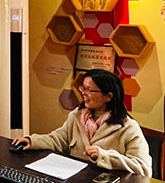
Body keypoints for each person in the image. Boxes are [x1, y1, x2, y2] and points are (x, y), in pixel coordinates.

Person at [12, 69, 152, 177]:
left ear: (108, 96)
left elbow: (143, 168)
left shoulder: (128, 127)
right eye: (83, 88)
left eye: (89, 90)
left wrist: (104, 156)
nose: (83, 93)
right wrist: (32, 141)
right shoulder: (76, 116)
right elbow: (58, 140)